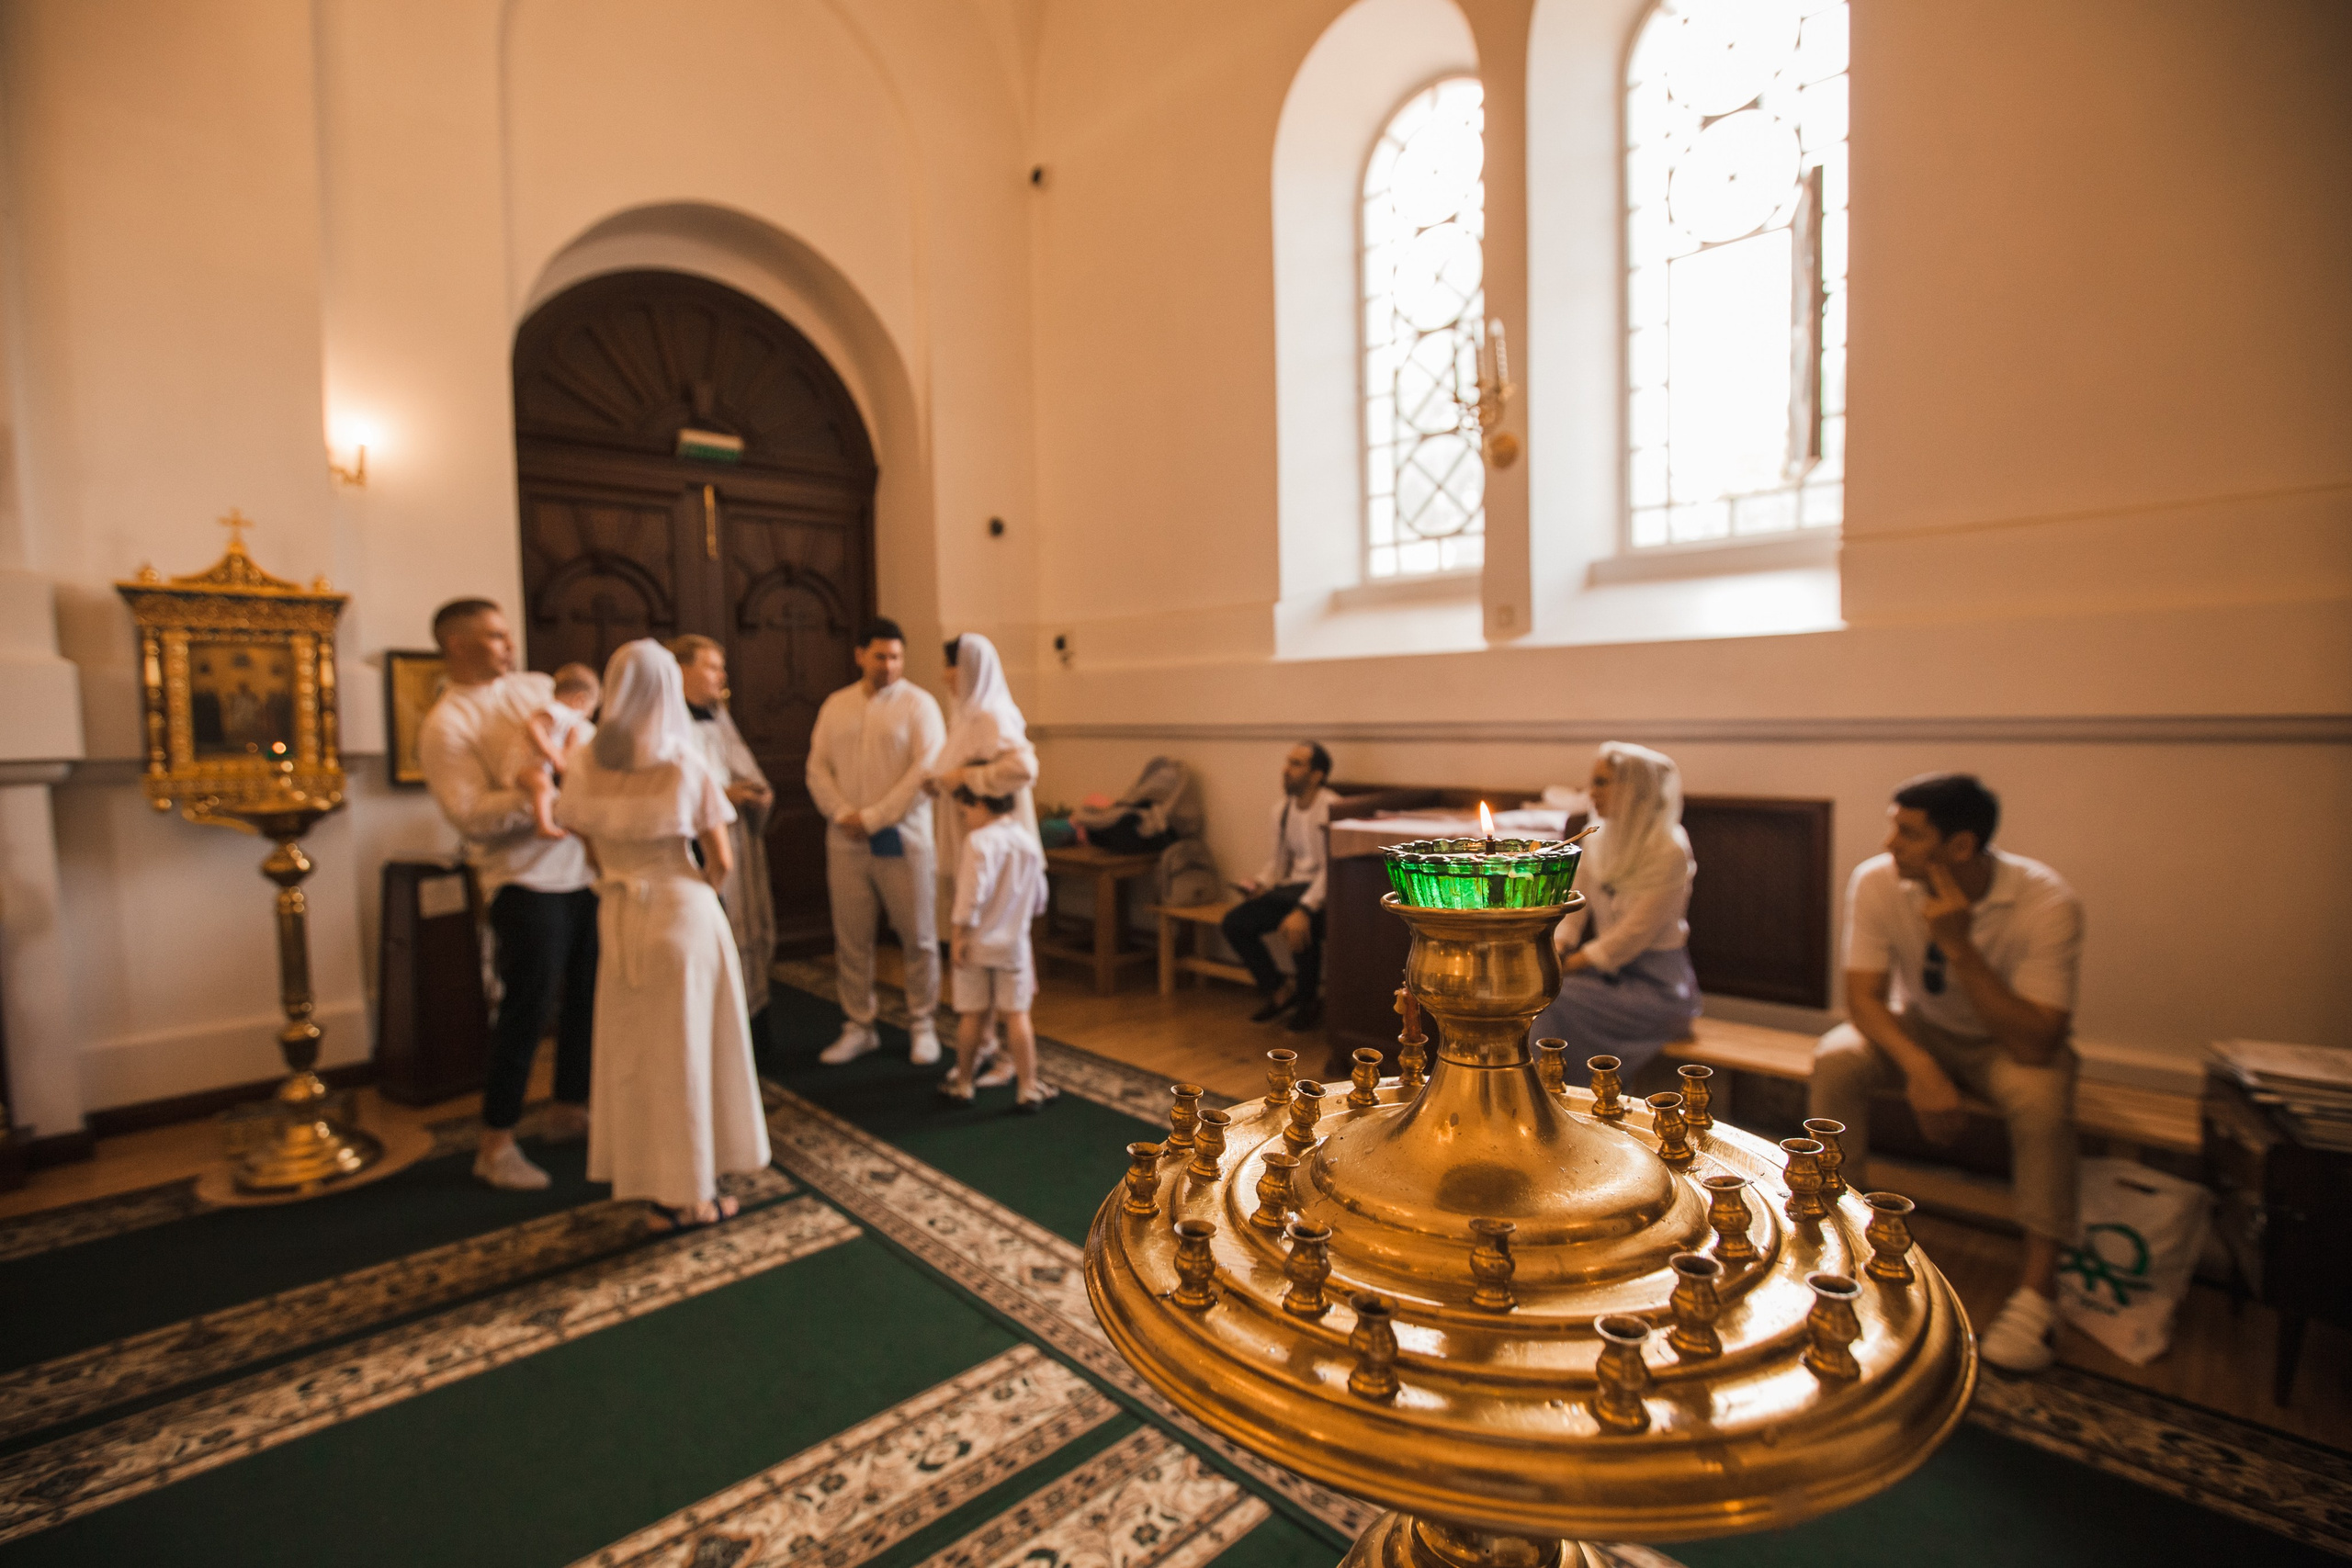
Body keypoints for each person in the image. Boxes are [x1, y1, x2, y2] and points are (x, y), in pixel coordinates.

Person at [1810, 772, 2084, 1374]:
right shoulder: (1878, 880)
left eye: (1908, 833)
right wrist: (1921, 1067)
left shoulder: (2045, 900)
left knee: (2041, 1098)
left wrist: (1959, 944)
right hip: (1923, 1029)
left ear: (1961, 846)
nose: (1889, 844)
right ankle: (1842, 1237)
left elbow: (2038, 1042)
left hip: (2004, 1043)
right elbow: (1864, 999)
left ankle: (2039, 1293)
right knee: (1837, 1057)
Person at [556, 640, 771, 1228]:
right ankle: (694, 1192)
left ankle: (653, 1185)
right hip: (680, 910)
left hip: (621, 913)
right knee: (691, 1050)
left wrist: (617, 874)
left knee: (639, 1052)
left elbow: (579, 833)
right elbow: (721, 858)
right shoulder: (683, 763)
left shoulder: (584, 761)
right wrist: (696, 886)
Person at [416, 600, 595, 1191]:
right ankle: (495, 1142)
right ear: (457, 644)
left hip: (582, 871)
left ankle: (572, 1106)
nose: (508, 643)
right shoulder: (448, 723)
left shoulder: (537, 689)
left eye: (506, 632)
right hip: (522, 882)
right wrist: (544, 796)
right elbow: (470, 816)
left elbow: (585, 746)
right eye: (493, 636)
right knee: (527, 1007)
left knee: (589, 996)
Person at [806, 616, 947, 1065]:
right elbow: (817, 768)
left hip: (903, 840)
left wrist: (873, 817)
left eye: (896, 657)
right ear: (860, 655)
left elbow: (924, 772)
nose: (889, 664)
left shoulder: (920, 705)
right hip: (845, 840)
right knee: (852, 938)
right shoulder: (836, 705)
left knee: (919, 937)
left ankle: (922, 1023)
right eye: (880, 655)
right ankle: (859, 1025)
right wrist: (843, 813)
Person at [1529, 742, 1702, 1075]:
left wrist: (1560, 969)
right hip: (1606, 979)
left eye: (1603, 782)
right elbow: (1573, 906)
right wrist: (1558, 946)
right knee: (1541, 994)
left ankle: (1551, 1090)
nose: (1591, 792)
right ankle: (1551, 1089)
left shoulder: (1670, 848)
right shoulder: (1596, 841)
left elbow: (1631, 936)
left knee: (1552, 996)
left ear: (1636, 789)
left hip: (1659, 990)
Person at [928, 631, 1040, 1089]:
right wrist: (938, 780)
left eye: (950, 665)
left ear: (970, 667)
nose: (944, 675)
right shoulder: (966, 716)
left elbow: (1023, 769)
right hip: (969, 842)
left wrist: (964, 776)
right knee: (974, 943)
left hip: (996, 848)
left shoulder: (994, 714)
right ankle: (985, 1046)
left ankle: (1008, 1061)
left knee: (987, 936)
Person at [667, 635, 777, 1024]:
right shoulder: (666, 724)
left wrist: (759, 793)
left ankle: (753, 1015)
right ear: (681, 670)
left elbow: (742, 765)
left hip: (739, 840)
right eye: (711, 666)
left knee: (746, 928)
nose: (721, 675)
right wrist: (726, 794)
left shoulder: (718, 716)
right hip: (700, 849)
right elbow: (673, 791)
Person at [940, 784, 1055, 1111]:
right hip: (1014, 945)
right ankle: (1027, 1087)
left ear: (980, 803)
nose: (964, 820)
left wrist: (958, 934)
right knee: (1017, 1015)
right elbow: (1039, 899)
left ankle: (963, 1084)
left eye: (965, 812)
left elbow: (971, 894)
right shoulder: (1027, 841)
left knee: (972, 1014)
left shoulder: (979, 842)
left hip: (976, 942)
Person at [1222, 741, 1332, 1032]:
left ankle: (1308, 1001)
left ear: (1316, 774)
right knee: (1236, 923)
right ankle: (1280, 989)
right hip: (1292, 889)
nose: (1286, 769)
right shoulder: (1282, 810)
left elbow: (1330, 870)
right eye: (1288, 762)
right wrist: (1258, 883)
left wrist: (1305, 908)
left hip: (1325, 895)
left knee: (1295, 925)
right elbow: (1278, 862)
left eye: (1297, 764)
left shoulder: (1331, 808)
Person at [514, 662, 601, 840]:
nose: (589, 715)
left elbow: (570, 750)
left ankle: (571, 822)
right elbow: (533, 726)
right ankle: (544, 826)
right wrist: (551, 752)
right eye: (591, 709)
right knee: (543, 787)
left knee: (564, 788)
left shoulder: (571, 722)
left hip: (541, 767)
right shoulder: (558, 710)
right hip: (525, 765)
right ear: (580, 700)